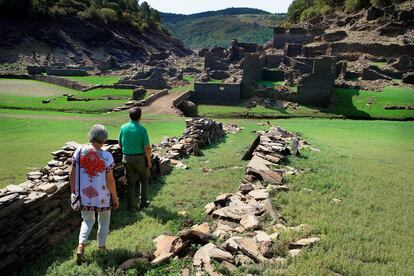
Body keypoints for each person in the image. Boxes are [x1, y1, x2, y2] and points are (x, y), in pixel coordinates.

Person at [69, 124, 119, 264]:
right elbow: (110, 180)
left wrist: (73, 191)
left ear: (91, 136)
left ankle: (81, 245)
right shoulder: (106, 156)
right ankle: (101, 248)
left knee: (87, 220)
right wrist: (115, 197)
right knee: (104, 221)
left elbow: (71, 174)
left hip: (84, 195)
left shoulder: (78, 152)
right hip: (102, 196)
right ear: (104, 139)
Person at [118, 107, 152, 211]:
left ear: (129, 116)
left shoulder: (123, 128)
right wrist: (149, 161)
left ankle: (131, 206)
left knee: (130, 183)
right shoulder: (142, 129)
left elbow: (120, 143)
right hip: (140, 158)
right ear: (140, 116)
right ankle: (143, 202)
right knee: (144, 179)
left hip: (126, 158)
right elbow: (147, 147)